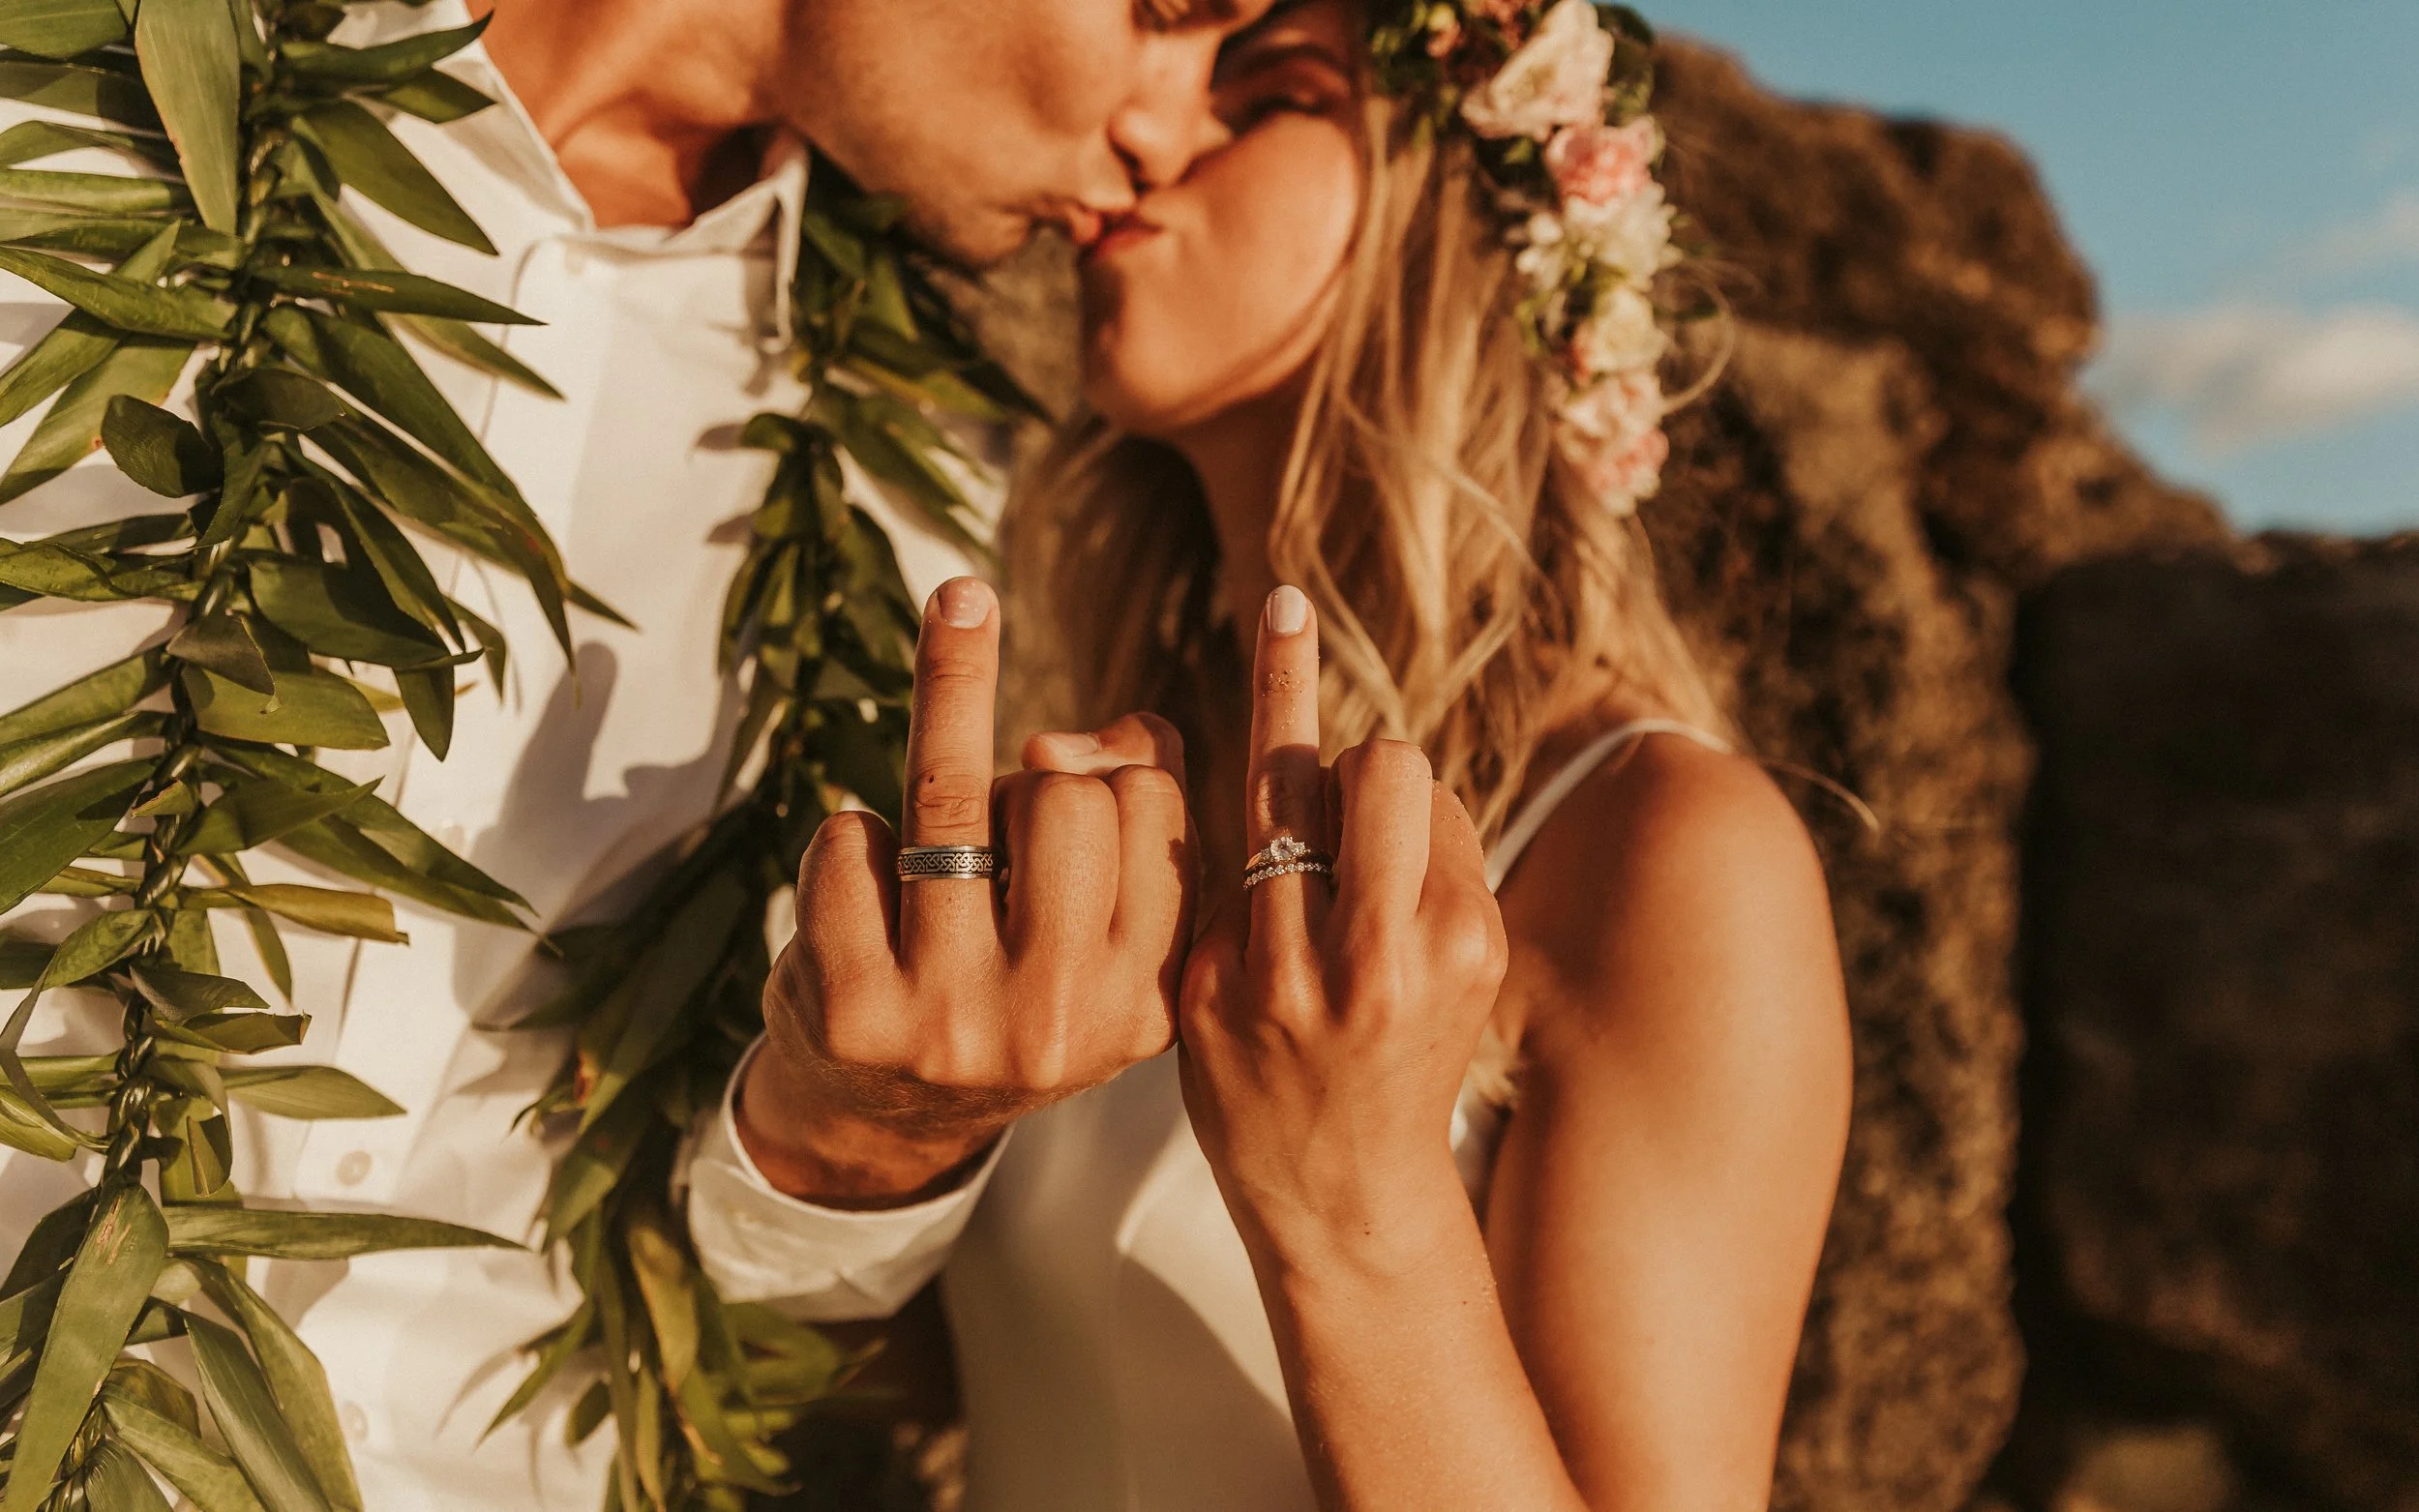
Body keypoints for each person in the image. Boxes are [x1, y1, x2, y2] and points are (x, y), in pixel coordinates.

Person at [0, 0, 1285, 1505]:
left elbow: (736, 1278)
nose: (1171, 124)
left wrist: (869, 1137)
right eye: (1172, 10)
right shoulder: (73, 121)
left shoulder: (926, 489)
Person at [699, 1, 1855, 1507]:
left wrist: (1355, 1202)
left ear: (1466, 218)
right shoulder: (1131, 774)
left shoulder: (1664, 847)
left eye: (1267, 97)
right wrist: (868, 1126)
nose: (1153, 131)